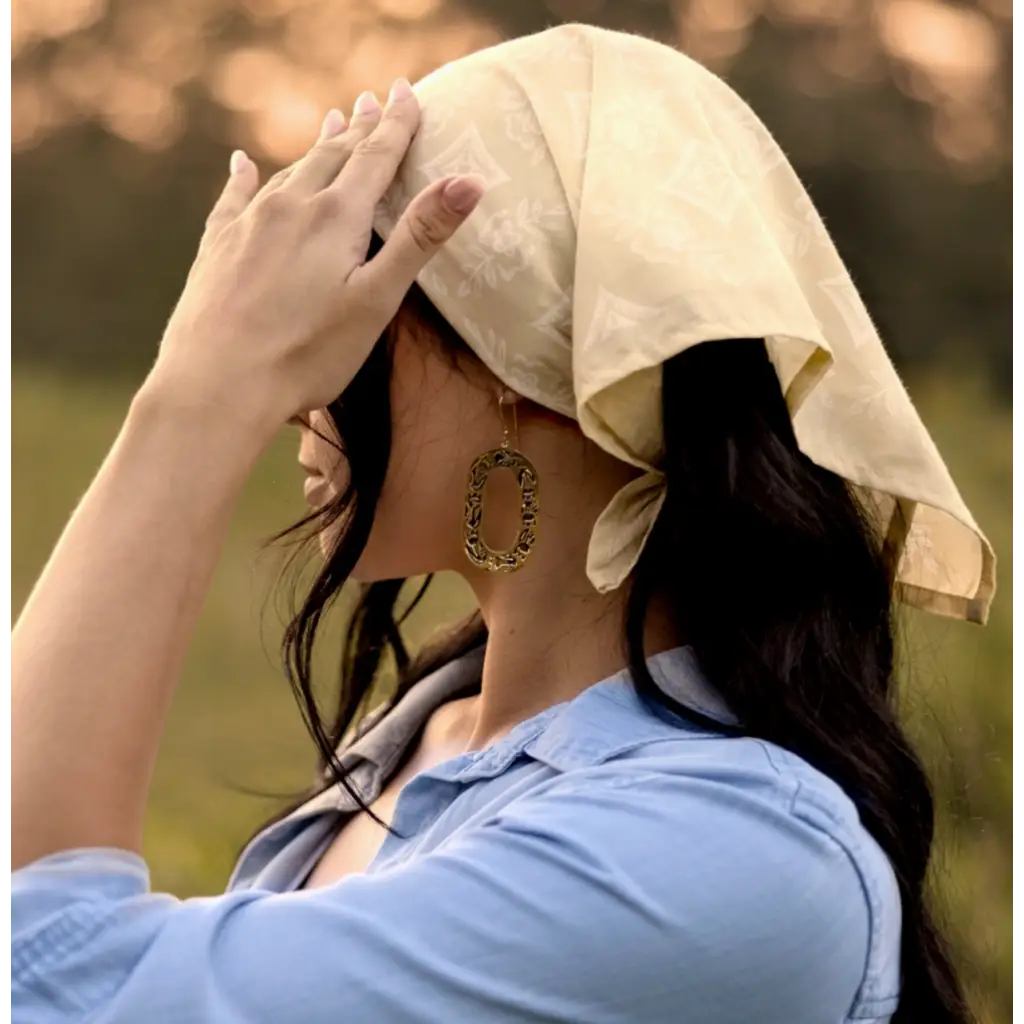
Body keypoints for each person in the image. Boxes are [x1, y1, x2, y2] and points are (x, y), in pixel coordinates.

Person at [8, 23, 995, 1024]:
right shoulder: (427, 732)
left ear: (511, 368)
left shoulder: (730, 856)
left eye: (365, 300)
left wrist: (199, 394)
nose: (306, 388)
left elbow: (48, 970)